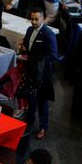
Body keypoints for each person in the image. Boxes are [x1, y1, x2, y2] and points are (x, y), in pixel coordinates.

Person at [20, 9, 58, 139]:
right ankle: (28, 123)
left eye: (36, 19)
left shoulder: (48, 34)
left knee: (42, 101)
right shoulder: (30, 30)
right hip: (30, 71)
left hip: (43, 73)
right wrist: (23, 48)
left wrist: (33, 59)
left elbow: (53, 56)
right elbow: (26, 45)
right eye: (32, 19)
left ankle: (43, 127)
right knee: (31, 99)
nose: (34, 21)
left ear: (43, 18)